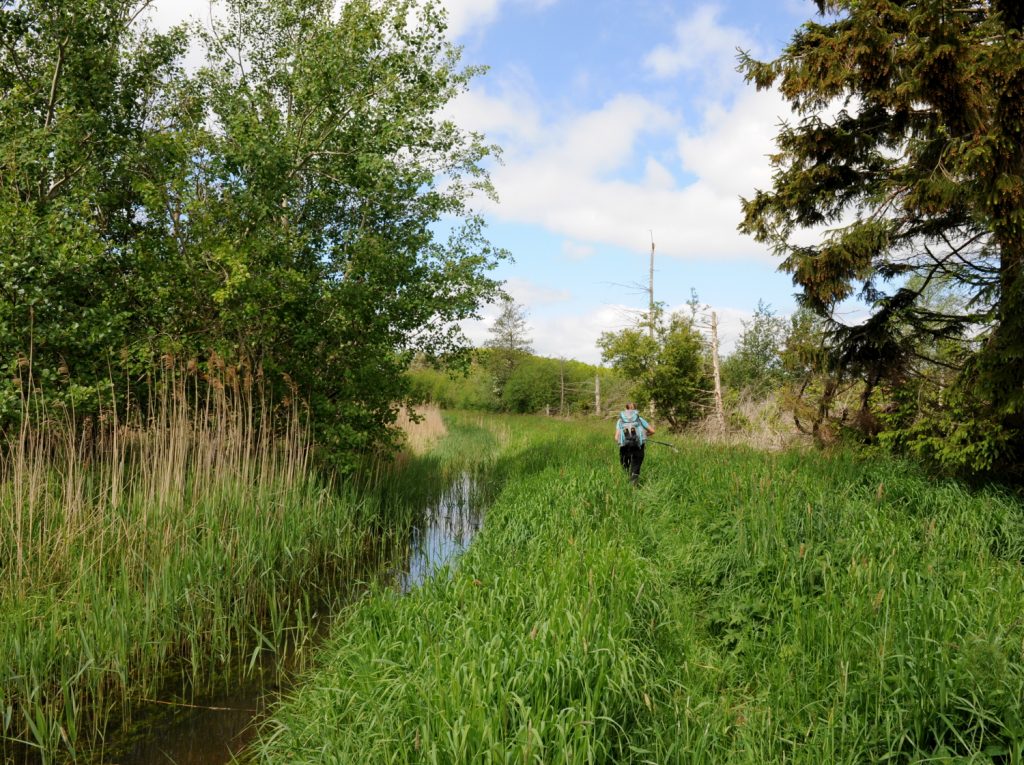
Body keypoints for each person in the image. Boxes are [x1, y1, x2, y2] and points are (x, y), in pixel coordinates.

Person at [615, 403, 655, 484]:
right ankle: (633, 484)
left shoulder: (620, 420)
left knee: (625, 465)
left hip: (624, 446)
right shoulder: (639, 419)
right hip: (638, 445)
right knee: (636, 465)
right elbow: (652, 431)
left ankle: (625, 482)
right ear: (636, 410)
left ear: (625, 409)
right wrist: (644, 435)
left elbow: (616, 437)